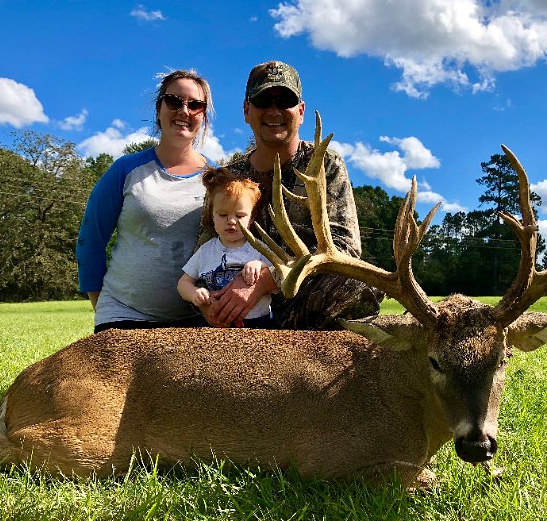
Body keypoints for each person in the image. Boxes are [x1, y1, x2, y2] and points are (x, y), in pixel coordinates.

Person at [204, 60, 383, 330]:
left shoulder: (324, 164)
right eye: (264, 100)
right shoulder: (229, 176)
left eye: (284, 101)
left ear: (300, 111)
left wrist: (267, 278)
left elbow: (345, 247)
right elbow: (204, 243)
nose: (274, 111)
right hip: (233, 294)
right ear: (246, 110)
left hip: (301, 297)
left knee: (359, 283)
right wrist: (207, 303)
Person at [76, 69, 219, 333]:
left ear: (204, 117)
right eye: (174, 101)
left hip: (195, 321)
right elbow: (90, 240)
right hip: (123, 314)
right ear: (158, 109)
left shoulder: (218, 178)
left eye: (195, 105)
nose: (183, 111)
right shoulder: (125, 170)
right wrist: (103, 307)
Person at [178, 168, 275, 328]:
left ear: (251, 219)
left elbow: (280, 273)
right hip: (216, 324)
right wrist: (194, 293)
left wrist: (260, 265)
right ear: (212, 216)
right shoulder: (206, 250)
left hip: (259, 323)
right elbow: (183, 282)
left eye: (240, 215)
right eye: (223, 215)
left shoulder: (259, 248)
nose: (231, 221)